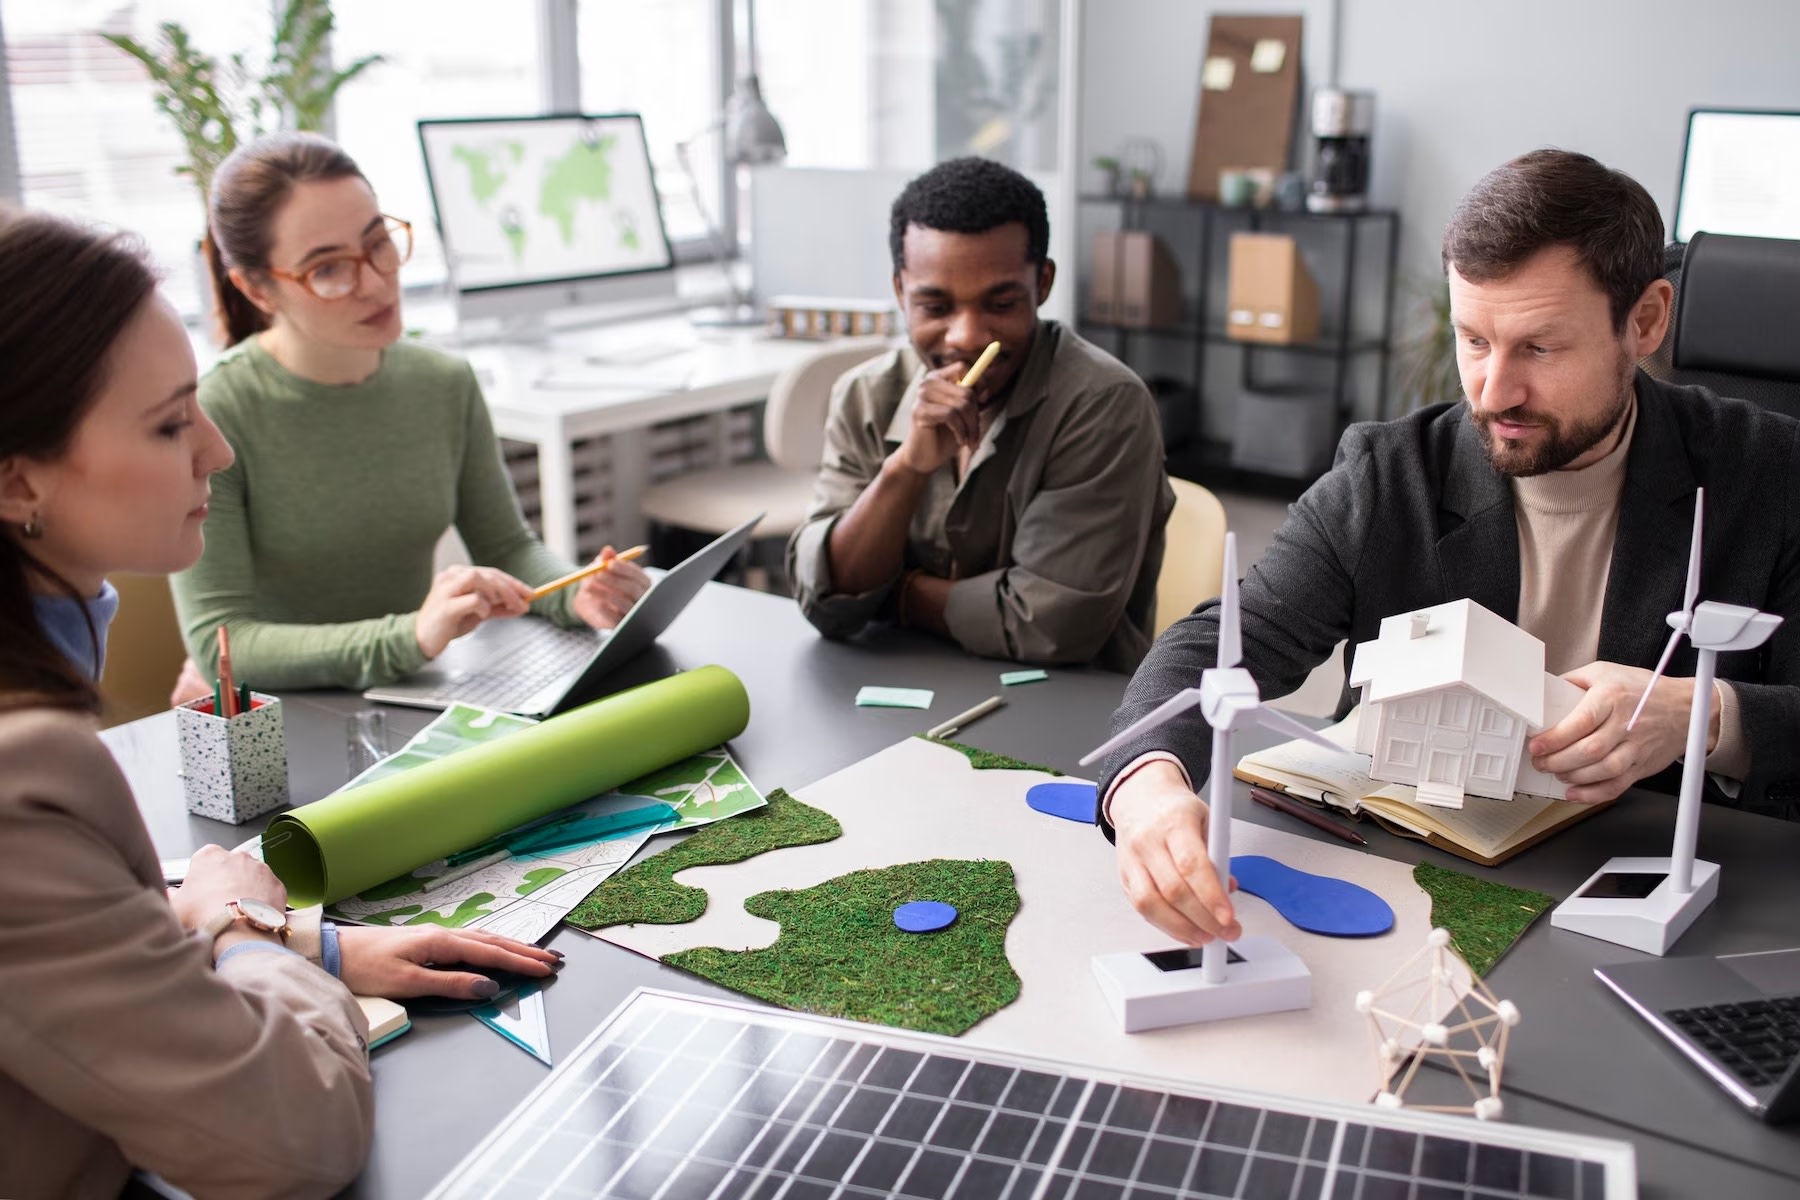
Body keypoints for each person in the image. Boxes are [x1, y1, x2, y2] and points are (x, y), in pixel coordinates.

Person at [1097, 149, 1800, 947]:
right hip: (1408, 881)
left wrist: (1707, 716)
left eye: (1539, 348)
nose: (1493, 392)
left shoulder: (1771, 474)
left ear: (1643, 321)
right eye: (1473, 340)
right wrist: (1147, 783)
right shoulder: (1389, 473)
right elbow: (1223, 642)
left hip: (1658, 903)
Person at [0, 207, 562, 1198]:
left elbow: (63, 946)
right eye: (171, 422)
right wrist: (241, 935)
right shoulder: (26, 771)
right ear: (15, 482)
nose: (213, 451)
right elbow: (298, 1139)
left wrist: (314, 940)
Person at [169, 131, 650, 697]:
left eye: (379, 243)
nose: (375, 282)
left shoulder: (444, 383)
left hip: (407, 698)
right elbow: (223, 643)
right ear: (258, 289)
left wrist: (577, 593)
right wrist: (410, 637)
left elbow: (508, 548)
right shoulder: (217, 413)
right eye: (328, 269)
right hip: (281, 721)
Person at [785, 157, 1175, 673]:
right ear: (901, 291)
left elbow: (1049, 625)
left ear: (1043, 283)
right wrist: (905, 470)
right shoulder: (865, 395)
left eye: (1001, 302)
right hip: (896, 689)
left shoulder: (1103, 405)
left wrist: (897, 595)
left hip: (1065, 706)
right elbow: (827, 599)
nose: (967, 337)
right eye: (935, 306)